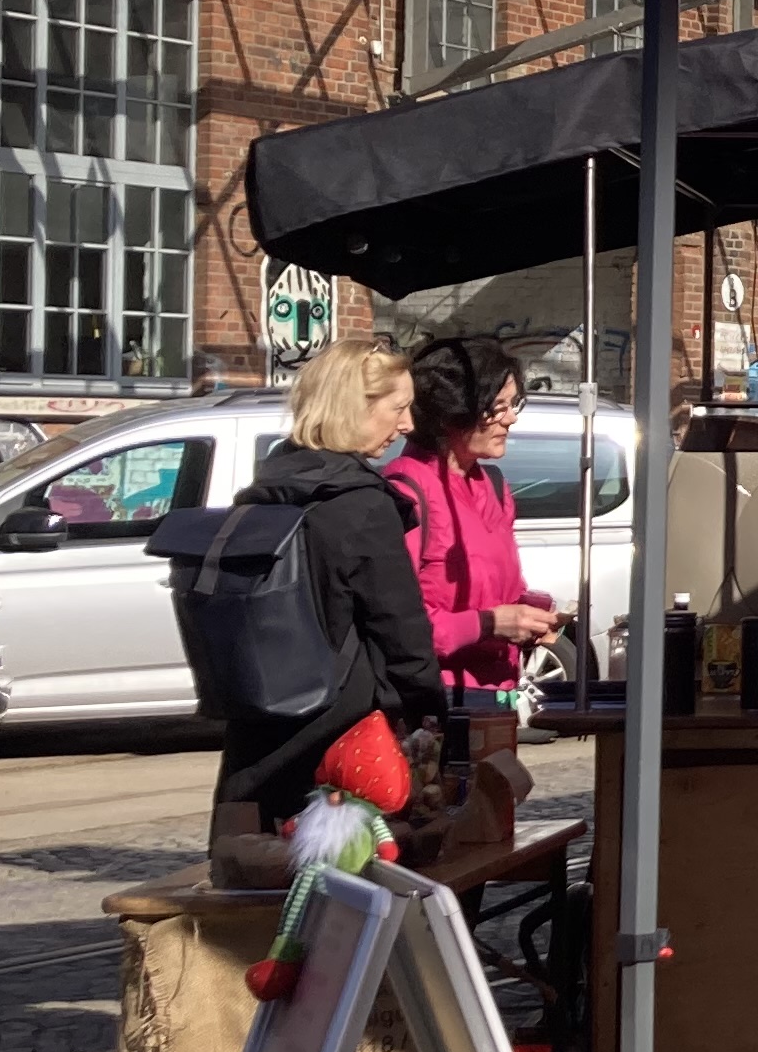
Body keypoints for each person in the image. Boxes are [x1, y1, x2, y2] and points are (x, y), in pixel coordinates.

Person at [215, 342, 447, 826]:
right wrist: (431, 714)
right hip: (343, 736)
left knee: (261, 876)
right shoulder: (360, 504)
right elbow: (402, 630)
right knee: (353, 886)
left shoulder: (268, 488)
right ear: (353, 406)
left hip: (260, 729)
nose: (407, 425)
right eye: (398, 408)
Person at [385, 336, 559, 698]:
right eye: (497, 407)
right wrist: (490, 624)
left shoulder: (493, 486)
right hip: (436, 700)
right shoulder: (406, 490)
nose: (510, 419)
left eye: (513, 405)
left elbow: (500, 589)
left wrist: (530, 614)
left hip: (499, 693)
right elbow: (397, 624)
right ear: (454, 413)